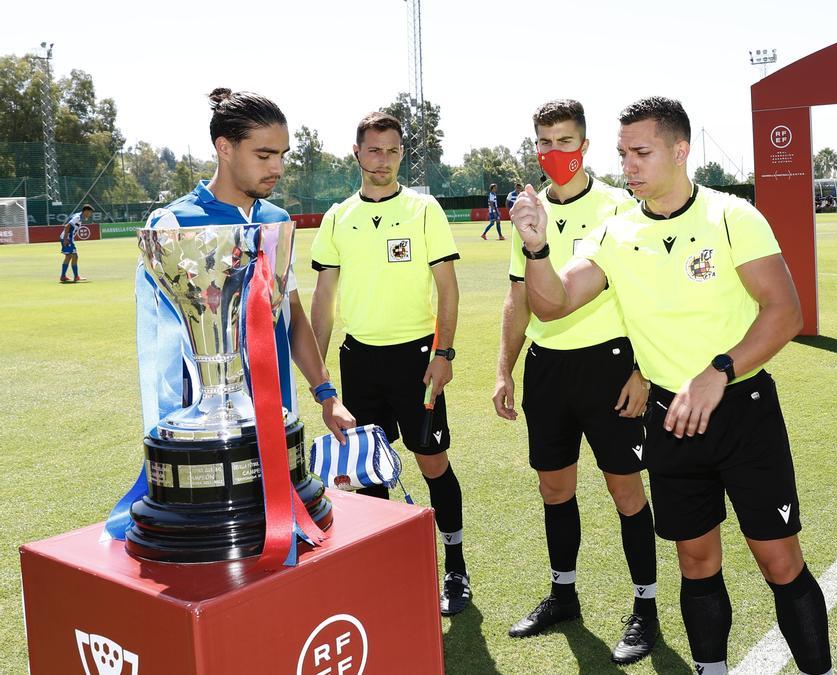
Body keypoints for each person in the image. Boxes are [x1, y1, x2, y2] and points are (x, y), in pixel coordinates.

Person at [511, 96, 832, 675]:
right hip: (670, 419)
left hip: (742, 410)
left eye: (641, 152)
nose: (628, 165)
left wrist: (720, 371)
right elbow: (553, 304)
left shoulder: (732, 217)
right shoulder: (616, 233)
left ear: (680, 151)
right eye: (622, 154)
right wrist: (537, 247)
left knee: (779, 561)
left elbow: (784, 313)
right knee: (695, 560)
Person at [494, 99, 657, 664]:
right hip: (548, 369)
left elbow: (649, 296)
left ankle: (646, 608)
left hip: (611, 367)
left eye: (565, 141)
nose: (554, 152)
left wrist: (643, 371)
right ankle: (564, 595)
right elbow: (518, 297)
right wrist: (504, 369)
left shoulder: (619, 204)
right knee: (554, 489)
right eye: (545, 142)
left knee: (626, 491)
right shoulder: (528, 210)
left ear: (584, 146)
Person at [309, 111, 471, 616]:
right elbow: (323, 297)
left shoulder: (424, 211)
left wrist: (443, 354)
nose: (383, 160)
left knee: (432, 462)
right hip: (359, 362)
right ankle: (385, 568)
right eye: (374, 150)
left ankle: (455, 568)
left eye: (393, 151)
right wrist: (320, 379)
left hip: (418, 360)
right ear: (357, 154)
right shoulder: (338, 217)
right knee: (369, 471)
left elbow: (447, 287)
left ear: (402, 154)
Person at [140, 88, 354, 446]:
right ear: (225, 147)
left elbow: (292, 315)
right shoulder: (174, 223)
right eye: (264, 155)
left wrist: (326, 394)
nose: (278, 168)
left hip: (277, 409)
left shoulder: (276, 220)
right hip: (203, 420)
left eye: (283, 155)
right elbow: (158, 341)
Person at [59, 204, 91, 282]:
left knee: (69, 256)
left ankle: (63, 276)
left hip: (68, 238)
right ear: (85, 211)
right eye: (89, 212)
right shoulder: (77, 217)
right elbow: (67, 227)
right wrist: (66, 239)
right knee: (74, 256)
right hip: (67, 238)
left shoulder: (80, 217)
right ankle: (76, 276)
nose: (90, 214)